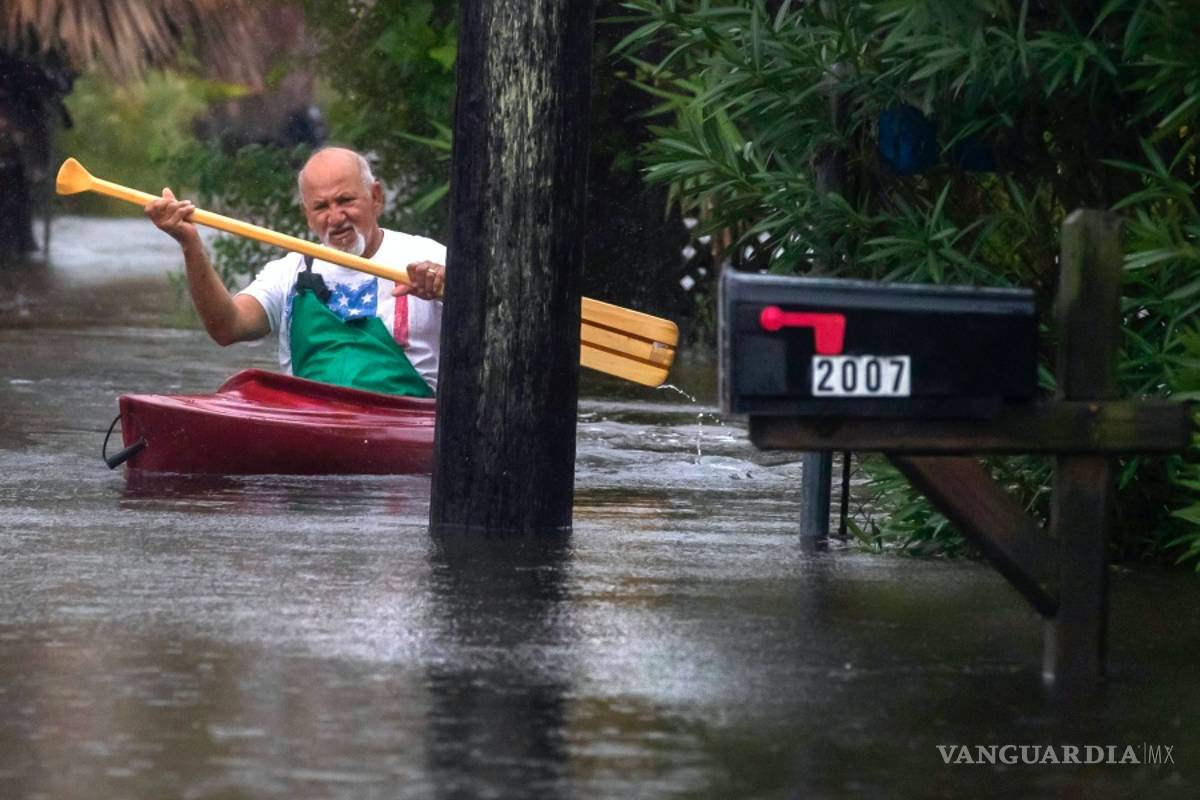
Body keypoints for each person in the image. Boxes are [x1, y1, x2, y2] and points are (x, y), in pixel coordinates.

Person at [144, 146, 446, 396]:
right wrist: (190, 244)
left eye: (346, 201)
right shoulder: (290, 271)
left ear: (375, 197)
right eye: (321, 207)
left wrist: (449, 289)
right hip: (310, 419)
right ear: (307, 214)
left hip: (404, 421)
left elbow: (488, 320)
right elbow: (228, 327)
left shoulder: (428, 257)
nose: (335, 217)